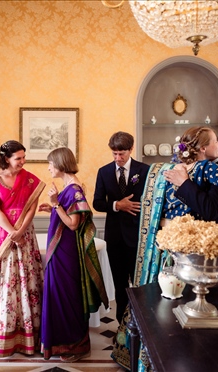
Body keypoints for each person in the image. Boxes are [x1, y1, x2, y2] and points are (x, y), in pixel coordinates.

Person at [111, 126, 218, 371]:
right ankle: (181, 357)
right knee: (182, 306)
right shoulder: (198, 170)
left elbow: (211, 207)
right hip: (191, 249)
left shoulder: (209, 171)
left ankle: (214, 359)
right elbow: (206, 208)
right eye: (216, 141)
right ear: (204, 148)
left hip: (213, 249)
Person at [0, 140, 45, 357]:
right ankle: (3, 335)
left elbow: (31, 208)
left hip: (25, 235)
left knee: (27, 280)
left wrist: (21, 231)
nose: (23, 162)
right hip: (1, 236)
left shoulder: (31, 179)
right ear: (6, 158)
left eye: (24, 157)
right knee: (4, 283)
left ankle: (29, 336)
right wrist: (12, 232)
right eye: (18, 158)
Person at [38, 147, 108, 362]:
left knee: (67, 297)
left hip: (66, 255)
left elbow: (72, 224)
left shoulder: (74, 189)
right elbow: (65, 215)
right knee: (58, 296)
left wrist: (55, 203)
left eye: (51, 163)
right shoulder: (68, 188)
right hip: (60, 252)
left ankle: (76, 346)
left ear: (60, 164)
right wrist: (52, 208)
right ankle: (62, 344)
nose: (49, 167)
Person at [164, 137, 218, 285]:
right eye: (215, 141)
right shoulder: (194, 171)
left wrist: (184, 183)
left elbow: (209, 210)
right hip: (198, 247)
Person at [92, 131, 150, 323]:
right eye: (114, 154)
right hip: (115, 237)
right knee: (119, 284)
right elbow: (98, 203)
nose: (118, 158)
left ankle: (142, 322)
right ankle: (122, 325)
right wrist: (117, 205)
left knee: (141, 284)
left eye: (121, 153)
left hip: (139, 236)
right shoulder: (104, 172)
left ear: (131, 149)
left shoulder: (145, 171)